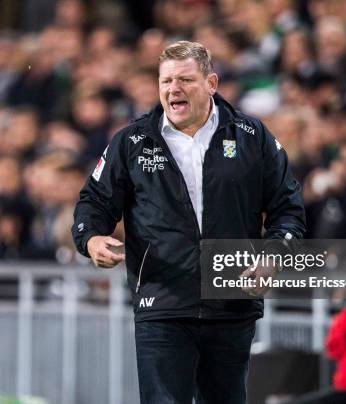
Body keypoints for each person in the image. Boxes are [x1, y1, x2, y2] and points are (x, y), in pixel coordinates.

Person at [72, 41, 305, 404]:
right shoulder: (132, 142)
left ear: (211, 83)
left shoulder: (251, 137)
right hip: (162, 304)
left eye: (185, 79)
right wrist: (91, 240)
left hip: (232, 303)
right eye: (165, 81)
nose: (173, 89)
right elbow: (93, 202)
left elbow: (288, 207)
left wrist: (273, 254)